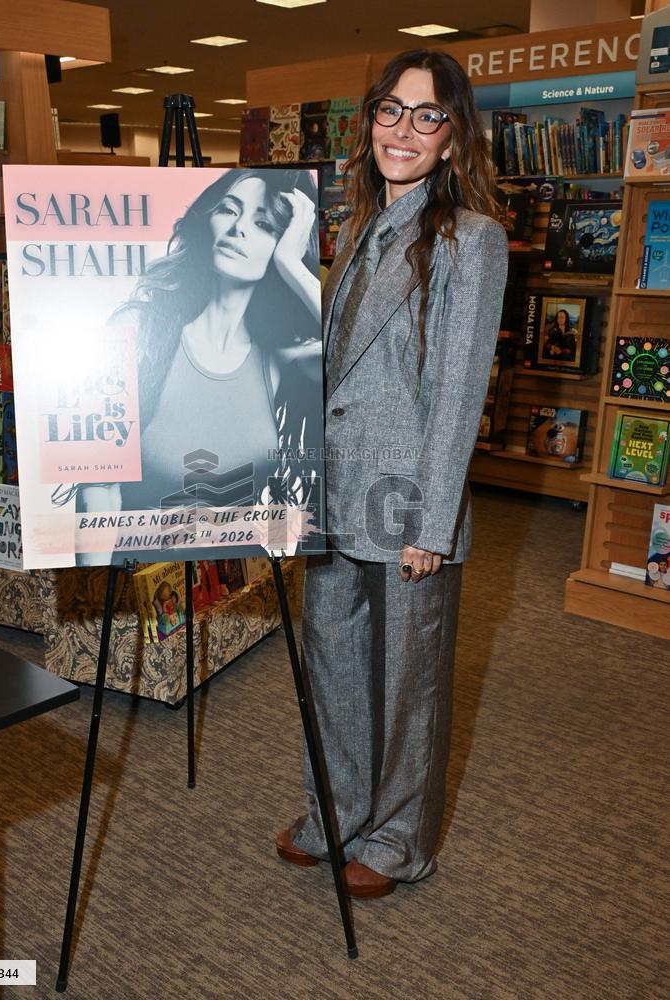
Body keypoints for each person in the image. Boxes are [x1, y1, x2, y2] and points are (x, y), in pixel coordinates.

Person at [275, 49, 509, 898]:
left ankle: (398, 839)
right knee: (332, 665)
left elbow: (457, 391)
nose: (402, 130)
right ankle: (333, 814)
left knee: (409, 685)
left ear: (453, 139)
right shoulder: (352, 226)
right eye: (389, 110)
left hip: (407, 503)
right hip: (335, 495)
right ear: (367, 120)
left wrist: (432, 525)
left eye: (426, 115)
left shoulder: (471, 242)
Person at [75, 169, 323, 565]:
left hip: (232, 578)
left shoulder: (282, 358)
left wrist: (292, 264)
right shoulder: (140, 330)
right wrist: (100, 587)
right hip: (144, 581)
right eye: (229, 209)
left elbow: (356, 355)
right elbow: (100, 492)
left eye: (262, 224)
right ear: (206, 220)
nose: (238, 228)